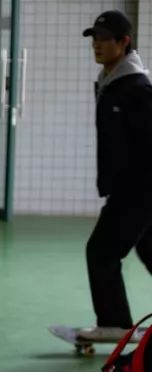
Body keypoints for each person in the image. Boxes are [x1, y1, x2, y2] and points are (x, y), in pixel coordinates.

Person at [79, 10, 152, 341]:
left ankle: (114, 323)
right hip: (132, 188)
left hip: (138, 189)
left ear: (124, 42)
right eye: (94, 38)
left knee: (102, 251)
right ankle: (116, 323)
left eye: (104, 39)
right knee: (149, 250)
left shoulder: (136, 88)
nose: (97, 45)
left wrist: (127, 190)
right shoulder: (111, 82)